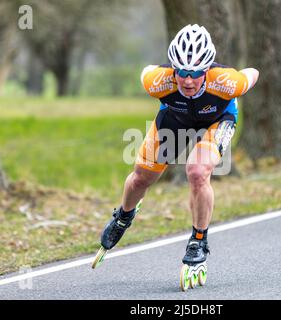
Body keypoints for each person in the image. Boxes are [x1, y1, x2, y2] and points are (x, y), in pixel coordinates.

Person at [99, 24, 259, 278]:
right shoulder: (157, 82)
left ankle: (198, 240)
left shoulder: (229, 82)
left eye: (195, 73)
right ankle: (123, 217)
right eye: (181, 71)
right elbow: (146, 72)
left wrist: (240, 84)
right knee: (142, 176)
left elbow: (253, 72)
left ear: (207, 69)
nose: (187, 80)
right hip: (175, 119)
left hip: (218, 120)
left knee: (197, 171)